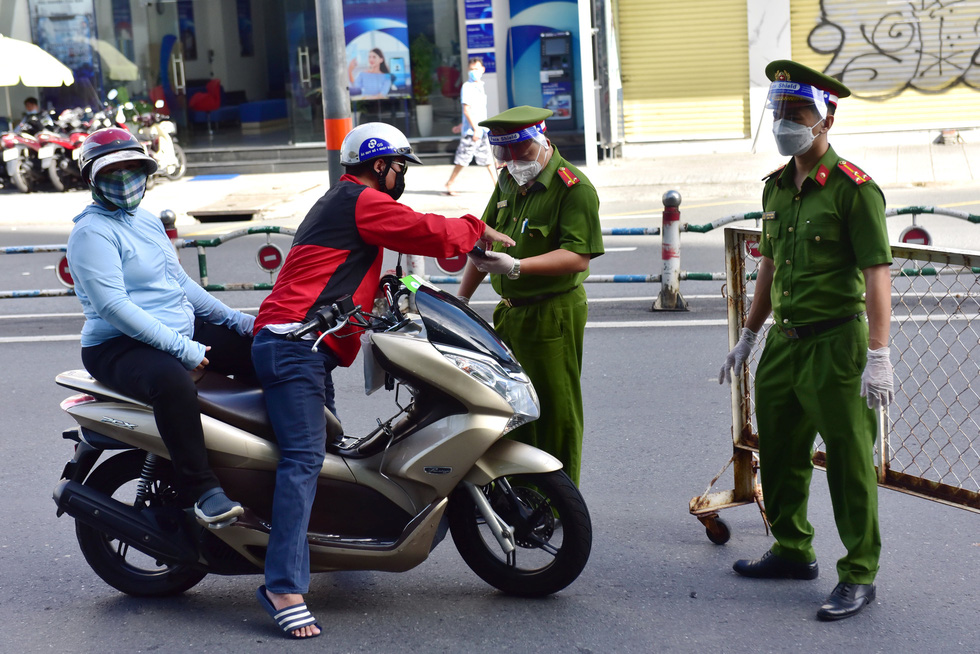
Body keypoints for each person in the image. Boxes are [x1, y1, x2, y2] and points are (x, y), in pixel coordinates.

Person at [250, 122, 514, 639]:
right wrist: (475, 228)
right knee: (304, 459)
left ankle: (325, 545)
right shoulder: (359, 200)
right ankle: (281, 585)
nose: (402, 177)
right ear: (379, 166)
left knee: (327, 453)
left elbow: (355, 270)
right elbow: (425, 231)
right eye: (400, 167)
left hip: (306, 347)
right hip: (293, 348)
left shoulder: (345, 202)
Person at [718, 60, 893, 621]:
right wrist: (749, 335)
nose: (786, 123)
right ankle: (793, 548)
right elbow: (769, 265)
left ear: (826, 121)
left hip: (836, 345)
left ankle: (860, 572)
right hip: (784, 344)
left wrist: (880, 355)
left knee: (848, 464)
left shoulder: (854, 191)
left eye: (798, 113)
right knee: (781, 453)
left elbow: (876, 276)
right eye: (781, 112)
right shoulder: (777, 187)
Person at [66, 127, 255, 528]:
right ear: (92, 178)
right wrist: (183, 350)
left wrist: (240, 321)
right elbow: (115, 308)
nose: (125, 180)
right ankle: (203, 490)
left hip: (175, 331)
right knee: (172, 383)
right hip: (117, 346)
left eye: (134, 169)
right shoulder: (91, 233)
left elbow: (181, 285)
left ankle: (275, 461)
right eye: (112, 172)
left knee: (267, 349)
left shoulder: (147, 221)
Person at [457, 106, 604, 487]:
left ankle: (559, 497)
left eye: (519, 152)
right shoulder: (507, 181)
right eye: (503, 154)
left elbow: (577, 256)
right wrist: (462, 301)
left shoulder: (574, 188)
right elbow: (483, 241)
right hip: (509, 314)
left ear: (541, 142)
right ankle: (521, 491)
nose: (511, 163)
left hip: (551, 311)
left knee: (553, 409)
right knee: (511, 406)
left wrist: (517, 267)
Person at [444, 57, 496, 195]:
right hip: (473, 131)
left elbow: (476, 111)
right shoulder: (467, 87)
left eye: (477, 69)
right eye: (472, 69)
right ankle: (450, 184)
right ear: (468, 70)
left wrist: (462, 124)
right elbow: (466, 110)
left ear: (483, 70)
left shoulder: (480, 86)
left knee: (488, 159)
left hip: (482, 130)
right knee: (463, 159)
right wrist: (474, 129)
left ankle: (498, 185)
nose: (474, 72)